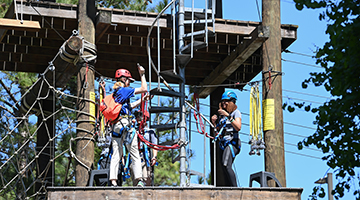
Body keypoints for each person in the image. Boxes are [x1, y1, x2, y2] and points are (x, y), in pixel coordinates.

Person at [109, 65, 149, 187]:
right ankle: (138, 179)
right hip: (125, 125)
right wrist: (142, 74)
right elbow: (144, 88)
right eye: (128, 80)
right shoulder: (124, 90)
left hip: (116, 126)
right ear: (124, 79)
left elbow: (129, 107)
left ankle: (113, 181)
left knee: (116, 153)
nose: (128, 83)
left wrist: (142, 100)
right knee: (134, 152)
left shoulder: (116, 93)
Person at [211, 90, 242, 187]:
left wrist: (228, 116)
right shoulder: (222, 117)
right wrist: (214, 123)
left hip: (232, 143)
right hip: (223, 144)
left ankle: (235, 188)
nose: (224, 103)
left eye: (226, 101)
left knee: (226, 164)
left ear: (232, 102)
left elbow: (238, 127)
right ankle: (229, 187)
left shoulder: (236, 113)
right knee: (223, 167)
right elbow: (217, 133)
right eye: (223, 101)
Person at [132, 110, 158, 186]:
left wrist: (154, 157)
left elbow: (154, 145)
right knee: (136, 181)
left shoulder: (150, 132)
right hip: (135, 157)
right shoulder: (133, 131)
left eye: (140, 116)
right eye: (137, 116)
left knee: (146, 178)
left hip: (145, 157)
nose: (138, 118)